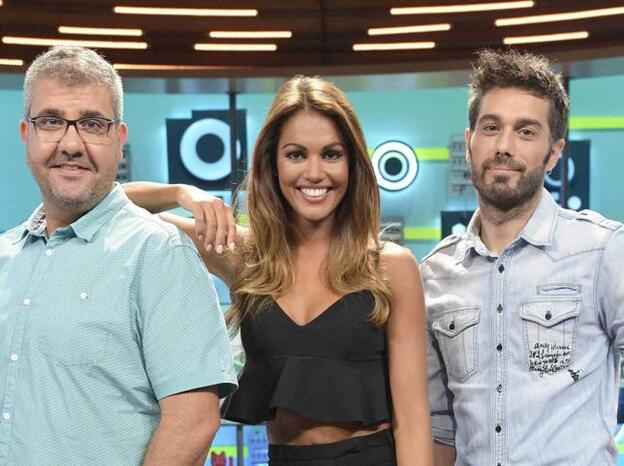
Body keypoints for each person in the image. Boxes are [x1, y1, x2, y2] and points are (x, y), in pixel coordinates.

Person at [124, 75, 433, 465]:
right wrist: (183, 193)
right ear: (272, 163)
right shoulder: (244, 255)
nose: (315, 173)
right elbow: (113, 206)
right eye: (296, 154)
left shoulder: (390, 266)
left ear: (354, 164)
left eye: (332, 154)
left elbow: (413, 417)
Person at [0, 46, 237, 465]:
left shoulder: (159, 253)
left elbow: (194, 422)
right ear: (26, 133)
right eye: (52, 121)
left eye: (92, 124)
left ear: (118, 138)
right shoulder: (6, 256)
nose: (71, 144)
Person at [423, 49, 624, 466]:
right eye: (491, 127)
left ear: (554, 152)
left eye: (526, 132)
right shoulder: (435, 274)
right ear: (469, 142)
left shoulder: (603, 251)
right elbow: (438, 424)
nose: (504, 146)